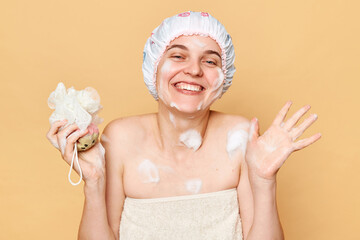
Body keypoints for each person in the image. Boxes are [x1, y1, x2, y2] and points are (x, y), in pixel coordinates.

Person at [46, 11, 321, 240]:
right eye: (178, 56)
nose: (194, 70)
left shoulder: (238, 136)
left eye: (210, 60)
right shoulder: (120, 139)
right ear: (154, 66)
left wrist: (264, 183)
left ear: (222, 78)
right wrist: (93, 184)